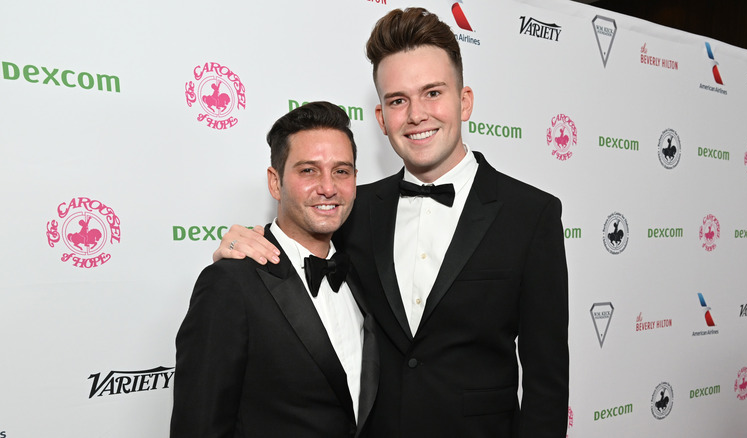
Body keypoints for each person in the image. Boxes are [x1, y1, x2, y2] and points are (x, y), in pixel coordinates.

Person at [214, 8, 568, 438]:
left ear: (465, 101)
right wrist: (237, 248)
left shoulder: (531, 214)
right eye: (398, 100)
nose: (416, 114)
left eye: (433, 93)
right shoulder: (351, 207)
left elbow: (547, 385)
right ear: (381, 118)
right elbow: (293, 255)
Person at [171, 101, 379, 438]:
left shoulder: (364, 272)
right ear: (275, 182)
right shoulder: (230, 283)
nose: (328, 187)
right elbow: (199, 426)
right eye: (308, 170)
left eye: (341, 171)